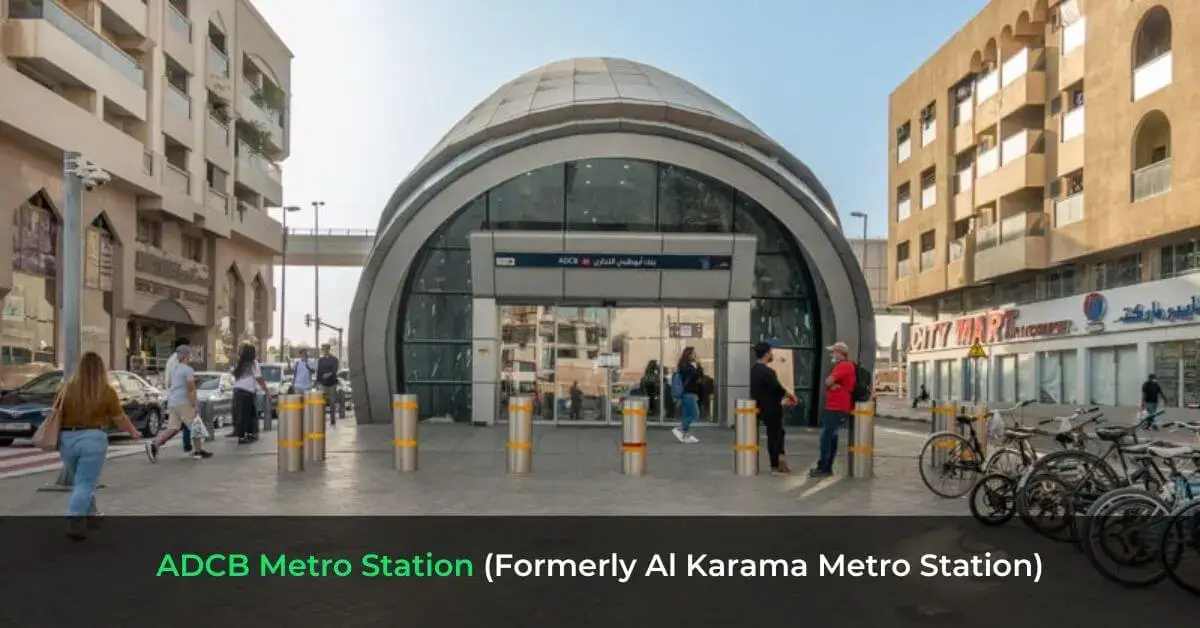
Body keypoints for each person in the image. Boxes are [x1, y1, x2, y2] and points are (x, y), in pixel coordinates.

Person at [57, 352, 141, 539]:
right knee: (85, 483)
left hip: (67, 438)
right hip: (93, 438)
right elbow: (119, 417)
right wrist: (133, 431)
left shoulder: (66, 388)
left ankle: (92, 514)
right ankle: (74, 519)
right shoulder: (106, 391)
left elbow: (56, 412)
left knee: (80, 481)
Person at [146, 344, 211, 462]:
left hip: (173, 401)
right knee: (195, 425)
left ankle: (155, 444)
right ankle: (198, 451)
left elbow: (170, 384)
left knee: (173, 428)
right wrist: (195, 404)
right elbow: (191, 388)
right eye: (189, 354)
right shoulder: (188, 370)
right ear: (187, 355)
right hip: (184, 401)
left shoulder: (173, 369)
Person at [750, 341, 797, 473]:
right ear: (766, 354)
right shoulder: (767, 371)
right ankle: (776, 463)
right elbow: (777, 388)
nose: (772, 354)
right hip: (771, 408)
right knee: (775, 435)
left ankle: (778, 461)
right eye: (770, 352)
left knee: (777, 433)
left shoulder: (754, 370)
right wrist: (791, 396)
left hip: (759, 406)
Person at [812, 341, 856, 478]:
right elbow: (831, 383)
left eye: (832, 352)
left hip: (837, 407)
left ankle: (824, 467)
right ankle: (827, 467)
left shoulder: (844, 365)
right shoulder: (843, 366)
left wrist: (831, 384)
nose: (831, 355)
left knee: (826, 437)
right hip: (836, 406)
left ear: (840, 353)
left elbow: (828, 381)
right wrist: (832, 385)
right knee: (831, 436)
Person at [231, 344, 269, 443]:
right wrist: (266, 390)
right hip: (247, 391)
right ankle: (246, 436)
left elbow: (233, 373)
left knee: (242, 415)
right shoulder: (253, 363)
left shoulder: (240, 363)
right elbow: (259, 378)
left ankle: (244, 435)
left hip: (238, 391)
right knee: (249, 415)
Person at [164, 337, 193, 454]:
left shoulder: (172, 360)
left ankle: (155, 444)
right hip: (181, 397)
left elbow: (170, 381)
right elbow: (187, 385)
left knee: (175, 427)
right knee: (190, 423)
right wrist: (193, 401)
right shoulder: (178, 361)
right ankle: (191, 447)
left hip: (173, 396)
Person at [672, 347, 704, 443]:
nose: (695, 354)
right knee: (695, 414)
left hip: (688, 394)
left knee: (687, 416)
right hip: (689, 393)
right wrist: (698, 365)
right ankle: (679, 429)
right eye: (693, 353)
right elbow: (697, 375)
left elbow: (700, 376)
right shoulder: (687, 367)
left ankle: (685, 436)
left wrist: (697, 365)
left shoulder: (684, 366)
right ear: (689, 354)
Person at [316, 344, 342, 425]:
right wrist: (318, 382)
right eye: (322, 349)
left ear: (328, 349)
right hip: (323, 384)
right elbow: (319, 371)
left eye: (324, 349)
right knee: (321, 402)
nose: (323, 350)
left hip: (332, 384)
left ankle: (332, 419)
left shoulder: (334, 359)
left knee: (332, 402)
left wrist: (329, 374)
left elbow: (335, 370)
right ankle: (321, 419)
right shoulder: (321, 360)